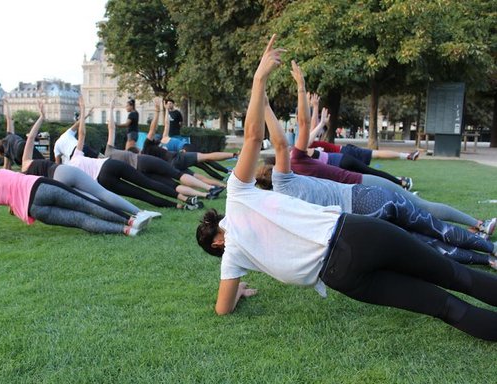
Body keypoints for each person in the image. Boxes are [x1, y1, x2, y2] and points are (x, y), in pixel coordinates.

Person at [195, 37, 497, 341]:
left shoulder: (233, 254)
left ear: (217, 246)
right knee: (457, 275)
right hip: (356, 232)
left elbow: (222, 309)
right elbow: (253, 139)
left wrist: (238, 293)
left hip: (340, 273)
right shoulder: (238, 195)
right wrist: (259, 80)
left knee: (444, 306)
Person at [258, 94, 497, 267]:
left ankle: (485, 259)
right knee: (432, 222)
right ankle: (488, 244)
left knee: (424, 243)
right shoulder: (291, 170)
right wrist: (266, 101)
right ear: (277, 171)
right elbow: (294, 132)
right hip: (366, 194)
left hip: (357, 222)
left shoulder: (283, 203)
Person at [0, 88, 146, 236]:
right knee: (87, 204)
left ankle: (125, 231)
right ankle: (130, 220)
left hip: (34, 209)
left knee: (79, 220)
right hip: (40, 186)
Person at [288, 92, 490, 232]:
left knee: (418, 215)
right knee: (420, 210)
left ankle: (478, 226)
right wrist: (305, 96)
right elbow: (306, 127)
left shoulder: (292, 179)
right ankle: (479, 225)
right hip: (362, 189)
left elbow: (305, 127)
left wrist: (313, 110)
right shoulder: (295, 161)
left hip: (360, 193)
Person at [21, 99, 160, 223]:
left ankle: (128, 221)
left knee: (92, 202)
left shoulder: (25, 175)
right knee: (103, 193)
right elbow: (32, 137)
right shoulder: (72, 156)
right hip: (64, 172)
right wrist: (42, 117)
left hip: (56, 181)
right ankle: (140, 213)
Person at [68, 96, 203, 210]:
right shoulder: (84, 155)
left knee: (142, 195)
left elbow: (87, 192)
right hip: (110, 166)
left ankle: (182, 206)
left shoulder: (70, 173)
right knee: (149, 185)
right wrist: (87, 109)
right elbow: (98, 131)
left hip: (103, 181)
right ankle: (185, 200)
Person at [105, 98, 225, 200]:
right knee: (181, 173)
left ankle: (204, 195)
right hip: (155, 161)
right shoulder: (145, 147)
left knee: (173, 185)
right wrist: (157, 112)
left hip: (142, 173)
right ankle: (211, 188)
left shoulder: (108, 162)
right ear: (136, 150)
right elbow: (151, 130)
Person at [308, 95, 419, 161]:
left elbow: (313, 126)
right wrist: (315, 106)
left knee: (371, 163)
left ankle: (404, 164)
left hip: (344, 152)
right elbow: (313, 126)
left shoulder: (306, 145)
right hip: (344, 152)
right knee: (374, 157)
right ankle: (407, 157)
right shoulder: (307, 144)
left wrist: (314, 107)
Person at [0, 99, 45, 169]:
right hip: (22, 145)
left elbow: (6, 167)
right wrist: (7, 105)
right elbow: (9, 118)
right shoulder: (9, 134)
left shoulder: (6, 151)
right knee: (42, 162)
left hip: (18, 155)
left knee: (29, 168)